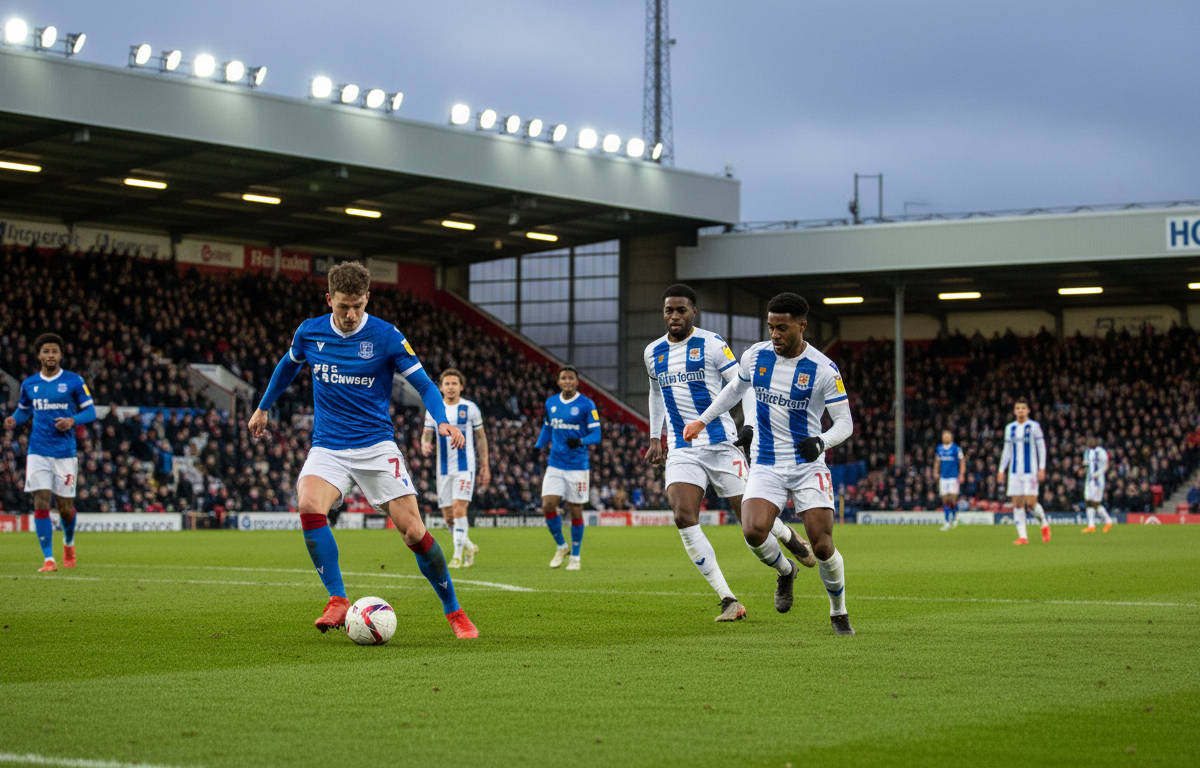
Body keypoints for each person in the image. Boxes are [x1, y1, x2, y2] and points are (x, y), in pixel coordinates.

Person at [248, 261, 478, 639]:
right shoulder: (309, 332)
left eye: (357, 305)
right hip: (329, 446)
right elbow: (287, 368)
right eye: (343, 306)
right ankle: (337, 599)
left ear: (367, 298)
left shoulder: (386, 336)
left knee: (413, 531)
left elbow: (424, 385)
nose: (351, 314)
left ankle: (455, 612)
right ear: (329, 300)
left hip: (375, 446)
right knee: (308, 503)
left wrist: (442, 420)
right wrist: (263, 406)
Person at [683, 293, 856, 635]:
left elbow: (845, 423)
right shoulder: (756, 355)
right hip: (766, 463)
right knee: (753, 530)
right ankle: (786, 571)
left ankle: (839, 612)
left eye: (782, 328)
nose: (775, 334)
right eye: (771, 327)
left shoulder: (823, 369)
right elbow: (734, 390)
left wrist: (822, 441)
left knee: (821, 545)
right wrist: (702, 421)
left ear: (802, 327)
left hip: (807, 465)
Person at [645, 284, 815, 623]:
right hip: (682, 448)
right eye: (669, 310)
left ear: (693, 312)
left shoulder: (711, 344)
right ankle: (728, 599)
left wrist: (749, 425)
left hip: (723, 444)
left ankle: (784, 562)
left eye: (681, 310)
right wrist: (655, 437)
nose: (674, 316)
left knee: (753, 526)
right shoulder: (652, 353)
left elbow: (744, 384)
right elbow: (655, 393)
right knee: (682, 516)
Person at [3, 333, 95, 572]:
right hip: (38, 451)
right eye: (46, 351)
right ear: (39, 355)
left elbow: (91, 412)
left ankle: (69, 543)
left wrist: (72, 421)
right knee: (41, 502)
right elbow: (24, 410)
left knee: (65, 508)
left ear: (60, 354)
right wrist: (14, 419)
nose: (50, 355)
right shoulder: (30, 384)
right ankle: (48, 559)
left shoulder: (74, 381)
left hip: (65, 453)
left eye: (54, 351)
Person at [421, 368, 490, 567]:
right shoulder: (434, 408)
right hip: (442, 468)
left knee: (460, 510)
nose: (451, 387)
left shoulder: (470, 408)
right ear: (441, 387)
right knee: (448, 516)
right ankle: (468, 545)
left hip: (464, 467)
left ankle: (458, 555)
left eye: (454, 383)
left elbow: (480, 438)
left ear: (461, 386)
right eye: (447, 384)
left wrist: (485, 465)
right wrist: (425, 444)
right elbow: (426, 434)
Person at [535, 365, 600, 570]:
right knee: (547, 505)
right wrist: (537, 447)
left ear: (577, 381)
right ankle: (562, 546)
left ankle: (576, 557)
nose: (567, 381)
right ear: (558, 381)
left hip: (578, 467)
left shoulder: (587, 404)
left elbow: (596, 435)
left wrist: (580, 441)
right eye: (563, 378)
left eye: (571, 378)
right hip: (555, 463)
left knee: (575, 510)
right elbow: (547, 428)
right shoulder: (551, 402)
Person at [997, 400, 1050, 545]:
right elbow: (1007, 450)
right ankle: (1023, 537)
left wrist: (1042, 467)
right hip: (1014, 472)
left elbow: (1042, 448)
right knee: (1017, 503)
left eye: (1023, 408)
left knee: (1031, 502)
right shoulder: (1010, 428)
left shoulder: (1034, 426)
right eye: (1017, 408)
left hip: (1030, 471)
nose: (1020, 411)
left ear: (1028, 411)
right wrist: (1001, 469)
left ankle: (1044, 523)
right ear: (1014, 411)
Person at [936, 430, 965, 530]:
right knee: (945, 499)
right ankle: (947, 521)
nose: (945, 438)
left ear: (951, 438)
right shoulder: (939, 448)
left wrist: (961, 474)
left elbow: (962, 461)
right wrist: (935, 471)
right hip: (943, 477)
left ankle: (955, 517)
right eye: (944, 436)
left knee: (953, 499)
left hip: (953, 477)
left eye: (947, 436)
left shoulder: (956, 448)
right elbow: (937, 461)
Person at [1081, 437, 1113, 533]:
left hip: (1098, 481)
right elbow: (1086, 464)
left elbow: (1106, 465)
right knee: (1088, 502)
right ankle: (1091, 525)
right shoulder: (1088, 452)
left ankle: (1108, 520)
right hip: (1089, 480)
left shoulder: (1102, 452)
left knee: (1095, 503)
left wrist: (1098, 474)